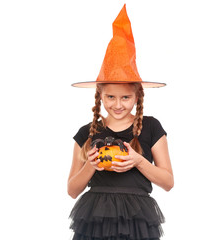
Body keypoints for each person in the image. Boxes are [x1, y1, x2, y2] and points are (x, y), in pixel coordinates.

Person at [68, 4, 173, 240]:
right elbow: (72, 190)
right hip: (94, 218)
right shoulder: (87, 132)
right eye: (110, 97)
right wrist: (90, 166)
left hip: (138, 221)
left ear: (137, 96)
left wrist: (138, 161)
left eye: (126, 97)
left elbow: (168, 182)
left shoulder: (152, 127)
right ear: (100, 96)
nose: (117, 104)